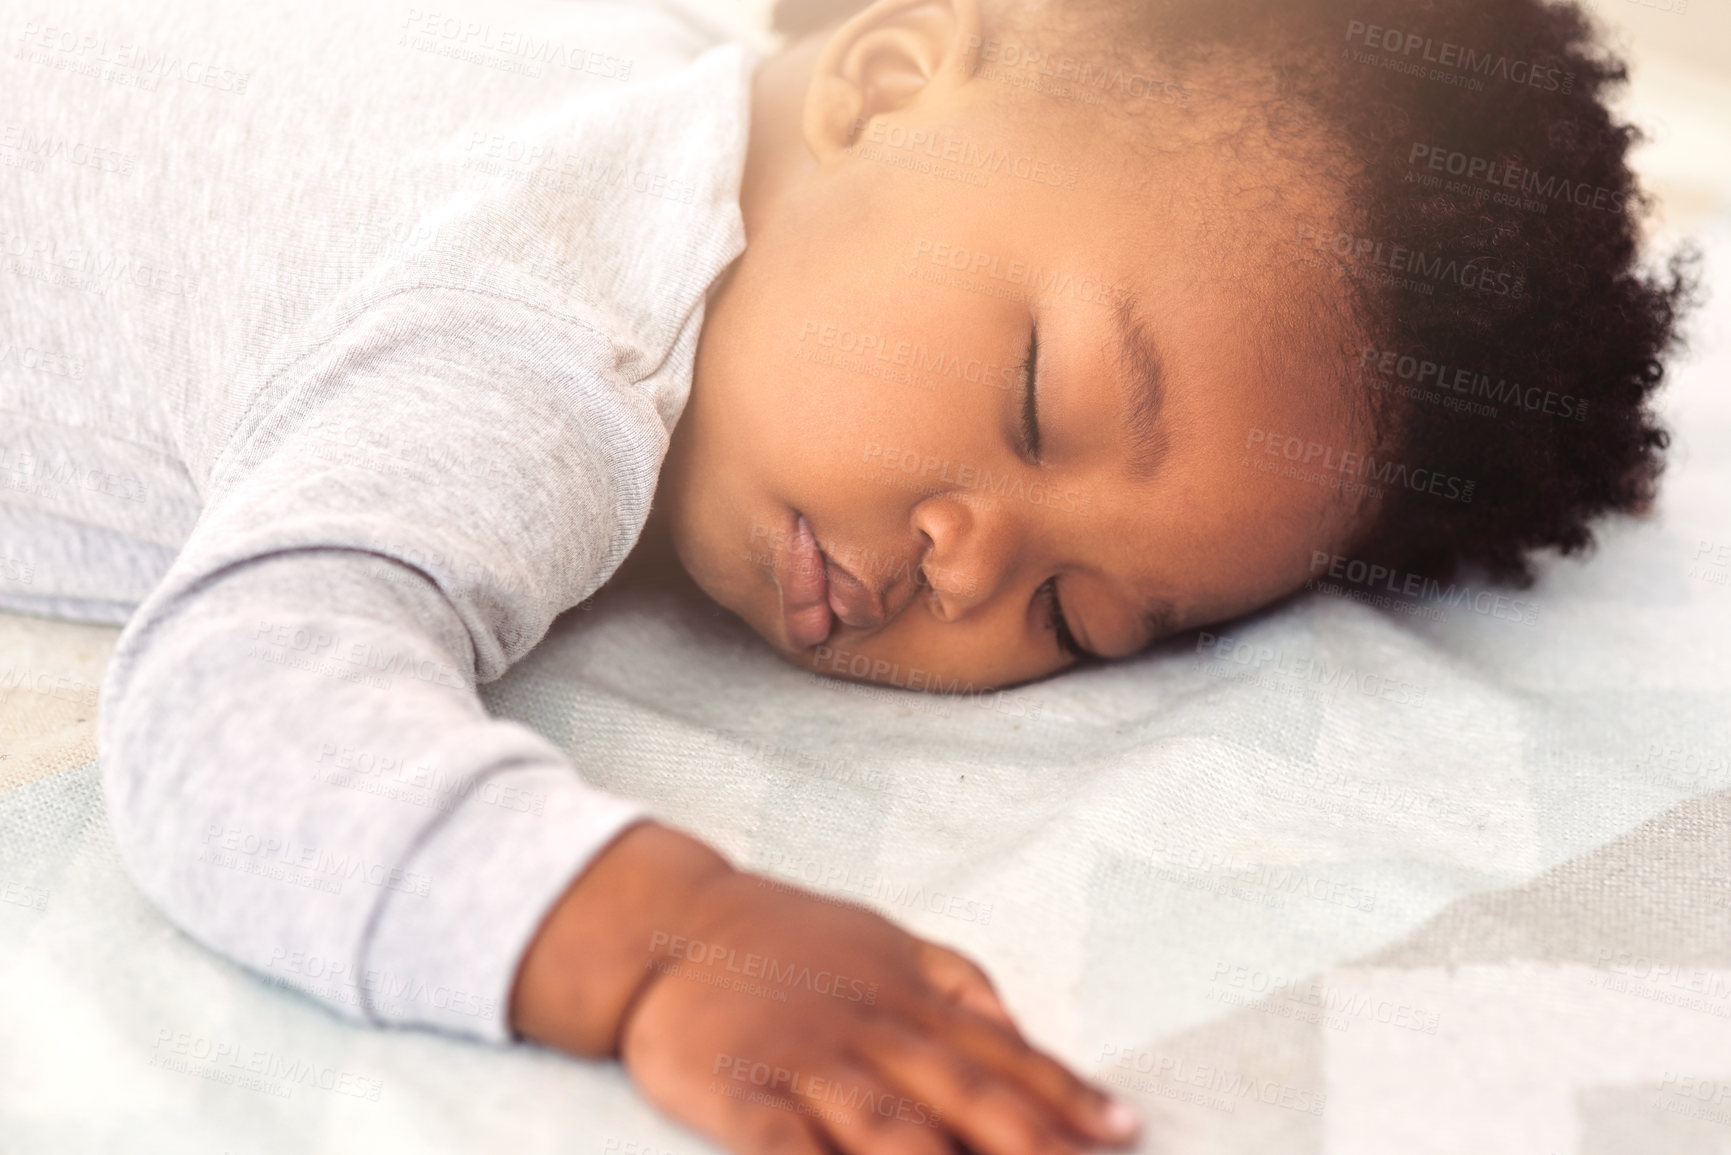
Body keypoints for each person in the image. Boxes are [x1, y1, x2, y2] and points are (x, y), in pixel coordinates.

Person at [0, 0, 1691, 1150]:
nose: (973, 567)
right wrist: (660, 939)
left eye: (1080, 620)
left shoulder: (672, 66)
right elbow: (236, 711)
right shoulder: (536, 349)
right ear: (880, 86)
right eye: (1043, 401)